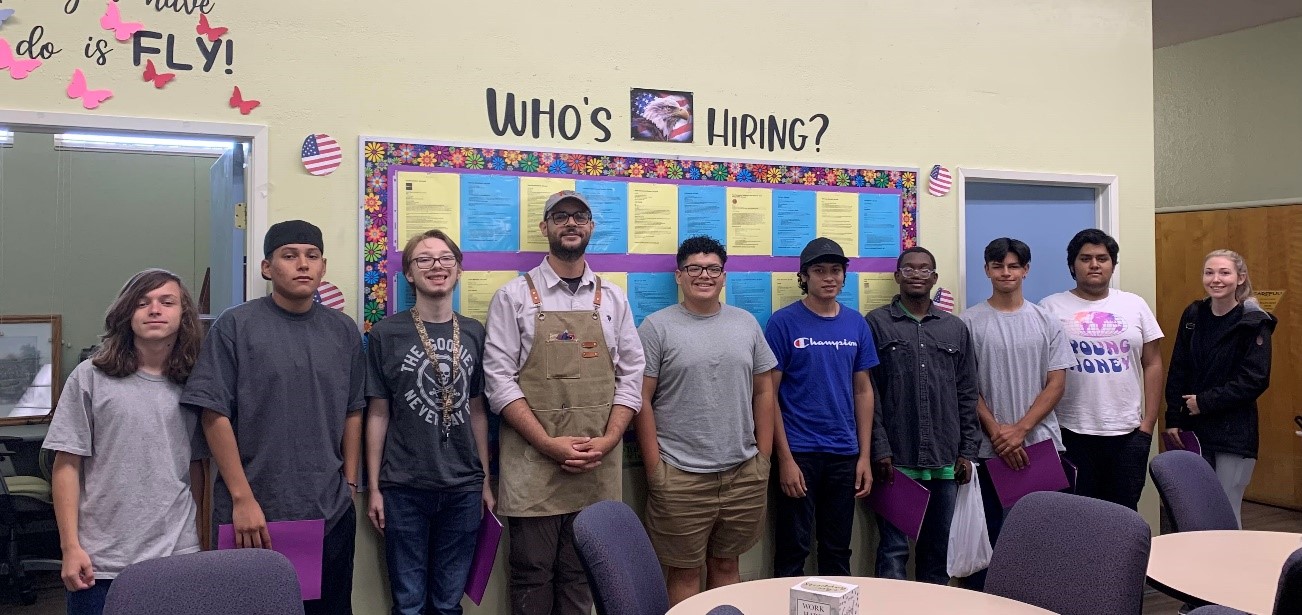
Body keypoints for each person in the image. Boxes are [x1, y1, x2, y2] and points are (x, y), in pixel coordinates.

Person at [181, 220, 366, 615]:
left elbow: (353, 409)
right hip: (254, 515)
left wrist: (348, 482)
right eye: (289, 255)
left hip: (328, 514)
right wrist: (242, 499)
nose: (302, 264)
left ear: (323, 266)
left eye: (311, 256)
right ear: (267, 268)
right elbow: (213, 413)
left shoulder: (343, 331)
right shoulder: (236, 326)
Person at [482, 190, 645, 615]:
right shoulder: (513, 297)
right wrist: (549, 444)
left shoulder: (613, 299)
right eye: (560, 216)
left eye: (580, 216)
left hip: (597, 463)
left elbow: (632, 376)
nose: (570, 223)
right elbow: (498, 382)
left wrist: (609, 440)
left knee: (583, 574)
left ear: (591, 228)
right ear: (545, 228)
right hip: (533, 466)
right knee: (530, 575)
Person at [44, 269, 206, 615]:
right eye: (142, 302)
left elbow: (195, 470)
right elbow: (66, 466)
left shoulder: (194, 385)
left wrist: (201, 541)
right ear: (125, 313)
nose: (155, 310)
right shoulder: (90, 377)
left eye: (167, 302)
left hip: (177, 556)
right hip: (100, 563)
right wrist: (70, 547)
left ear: (183, 315)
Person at [635, 235, 777, 605]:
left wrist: (763, 459)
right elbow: (642, 400)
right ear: (679, 275)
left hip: (743, 474)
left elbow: (764, 391)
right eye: (695, 268)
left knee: (728, 565)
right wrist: (655, 470)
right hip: (679, 477)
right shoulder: (656, 327)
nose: (704, 275)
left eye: (713, 268)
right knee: (683, 573)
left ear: (723, 276)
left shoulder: (745, 323)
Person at [364, 229, 493, 615]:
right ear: (408, 273)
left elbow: (479, 412)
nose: (436, 266)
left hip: (463, 488)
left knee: (449, 602)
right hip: (404, 487)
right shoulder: (387, 333)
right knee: (408, 605)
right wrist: (374, 488)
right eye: (423, 259)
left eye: (445, 258)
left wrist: (485, 481)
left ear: (458, 269)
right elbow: (377, 413)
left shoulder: (473, 331)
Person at [958, 238, 1072, 589]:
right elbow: (967, 388)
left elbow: (1056, 382)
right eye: (997, 266)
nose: (1005, 273)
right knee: (989, 538)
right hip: (987, 451)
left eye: (1013, 266)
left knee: (1038, 538)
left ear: (1026, 270)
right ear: (986, 270)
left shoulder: (1046, 320)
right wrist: (997, 432)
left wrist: (1020, 430)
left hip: (1038, 447)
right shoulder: (968, 323)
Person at [867, 246, 979, 585]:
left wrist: (968, 451)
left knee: (937, 551)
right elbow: (868, 392)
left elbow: (967, 390)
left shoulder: (954, 328)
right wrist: (879, 447)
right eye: (909, 268)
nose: (917, 274)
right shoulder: (877, 324)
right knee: (893, 551)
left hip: (945, 461)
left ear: (934, 278)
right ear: (898, 276)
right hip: (896, 461)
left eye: (925, 268)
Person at [766, 237, 877, 578]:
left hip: (844, 454)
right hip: (799, 453)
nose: (829, 278)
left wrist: (864, 457)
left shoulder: (856, 324)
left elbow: (863, 391)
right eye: (819, 271)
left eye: (836, 270)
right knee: (792, 549)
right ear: (804, 277)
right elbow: (769, 394)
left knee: (837, 549)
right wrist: (783, 459)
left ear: (844, 276)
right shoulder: (783, 323)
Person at [1040, 228, 1164, 511]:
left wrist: (1149, 424)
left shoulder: (1135, 305)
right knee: (1077, 514)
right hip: (1069, 432)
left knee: (1123, 512)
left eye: (1102, 258)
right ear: (1073, 265)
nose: (1094, 264)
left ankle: (1122, 559)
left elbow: (1153, 362)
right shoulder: (1050, 307)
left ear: (1112, 264)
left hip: (1128, 433)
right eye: (1085, 258)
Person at [1165, 249, 1275, 527]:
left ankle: (1232, 568)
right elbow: (1179, 368)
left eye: (1225, 272)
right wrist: (1173, 419)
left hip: (1233, 433)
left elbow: (1254, 380)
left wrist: (1205, 402)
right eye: (1209, 272)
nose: (1216, 279)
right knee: (1194, 505)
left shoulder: (1253, 322)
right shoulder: (1193, 315)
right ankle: (1196, 568)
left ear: (1240, 278)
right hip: (1194, 430)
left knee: (1224, 508)